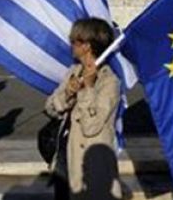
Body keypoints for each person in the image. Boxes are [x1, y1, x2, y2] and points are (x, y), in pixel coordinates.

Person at [45, 18, 122, 200]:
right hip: (65, 160)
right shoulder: (74, 71)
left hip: (90, 168)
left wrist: (87, 89)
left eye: (74, 41)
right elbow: (50, 108)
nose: (71, 45)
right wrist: (68, 94)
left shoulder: (109, 82)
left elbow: (91, 126)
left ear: (86, 46)